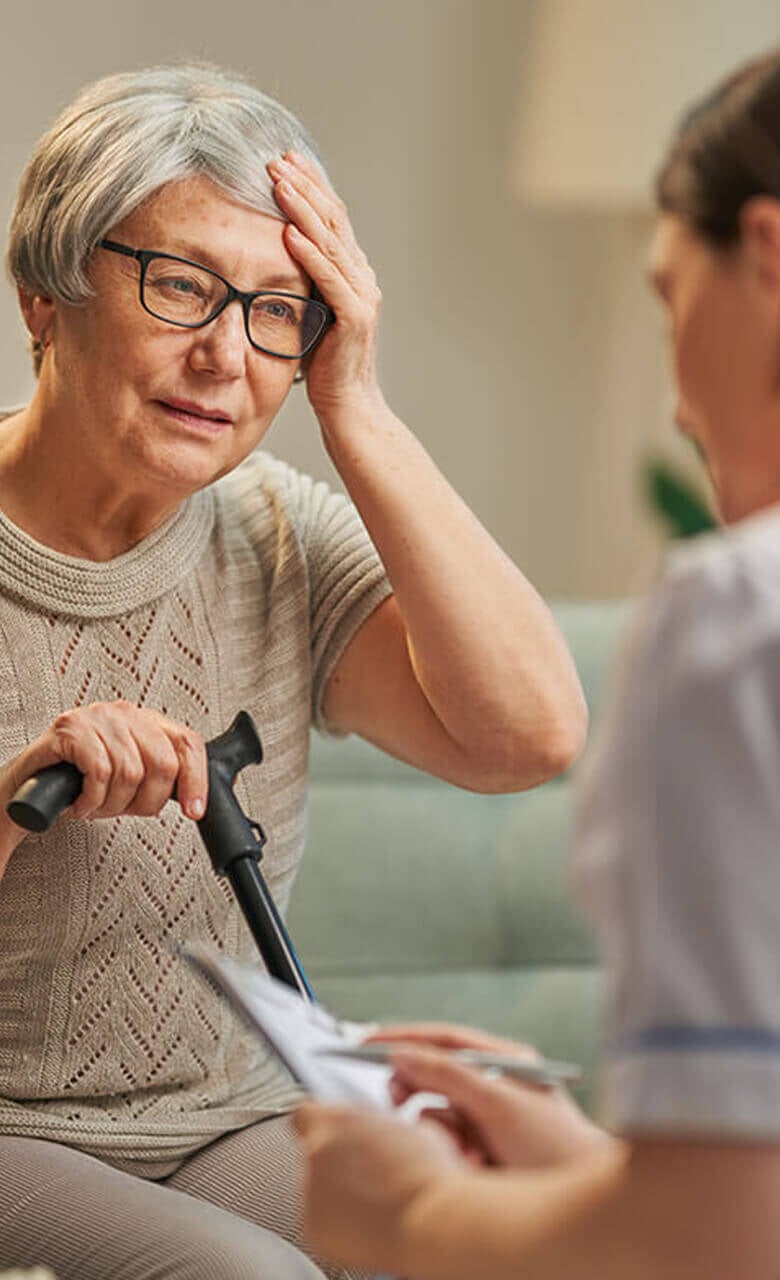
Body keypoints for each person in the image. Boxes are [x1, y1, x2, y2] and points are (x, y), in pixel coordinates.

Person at [0, 64, 589, 1280]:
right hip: (15, 1130)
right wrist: (23, 789)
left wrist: (358, 406)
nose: (228, 353)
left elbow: (527, 735)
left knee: (502, 1237)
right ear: (44, 293)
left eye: (282, 310)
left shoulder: (276, 530)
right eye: (183, 286)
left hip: (230, 1115)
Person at [294, 46, 780, 1280]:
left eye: (670, 296)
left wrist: (405, 1217)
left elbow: (716, 1242)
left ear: (768, 253)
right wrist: (587, 1161)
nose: (676, 401)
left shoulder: (741, 624)